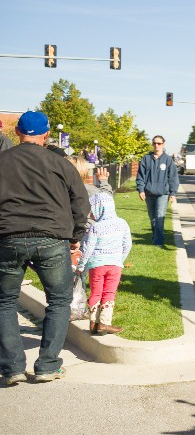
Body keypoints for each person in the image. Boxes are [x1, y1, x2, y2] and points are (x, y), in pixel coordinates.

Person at [0, 111, 89, 385]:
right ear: (46, 134)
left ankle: (13, 368)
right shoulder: (60, 163)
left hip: (8, 237)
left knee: (4, 301)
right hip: (52, 238)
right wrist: (75, 236)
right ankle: (48, 365)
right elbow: (80, 201)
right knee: (59, 300)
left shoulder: (2, 161)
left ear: (17, 133)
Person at [75, 191, 132, 335]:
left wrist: (81, 265)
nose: (91, 214)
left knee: (96, 292)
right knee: (109, 292)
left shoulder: (95, 227)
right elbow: (127, 245)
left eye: (92, 210)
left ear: (100, 209)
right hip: (115, 265)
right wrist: (120, 259)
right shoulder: (122, 223)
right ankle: (104, 323)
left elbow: (87, 248)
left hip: (96, 265)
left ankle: (93, 323)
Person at [136, 135, 179, 246]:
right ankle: (156, 236)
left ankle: (158, 241)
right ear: (152, 144)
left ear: (163, 144)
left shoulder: (168, 159)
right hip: (149, 193)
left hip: (163, 194)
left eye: (159, 143)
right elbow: (140, 176)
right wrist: (141, 190)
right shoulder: (146, 158)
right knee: (153, 218)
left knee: (159, 217)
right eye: (154, 143)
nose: (156, 145)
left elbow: (173, 177)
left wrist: (173, 193)